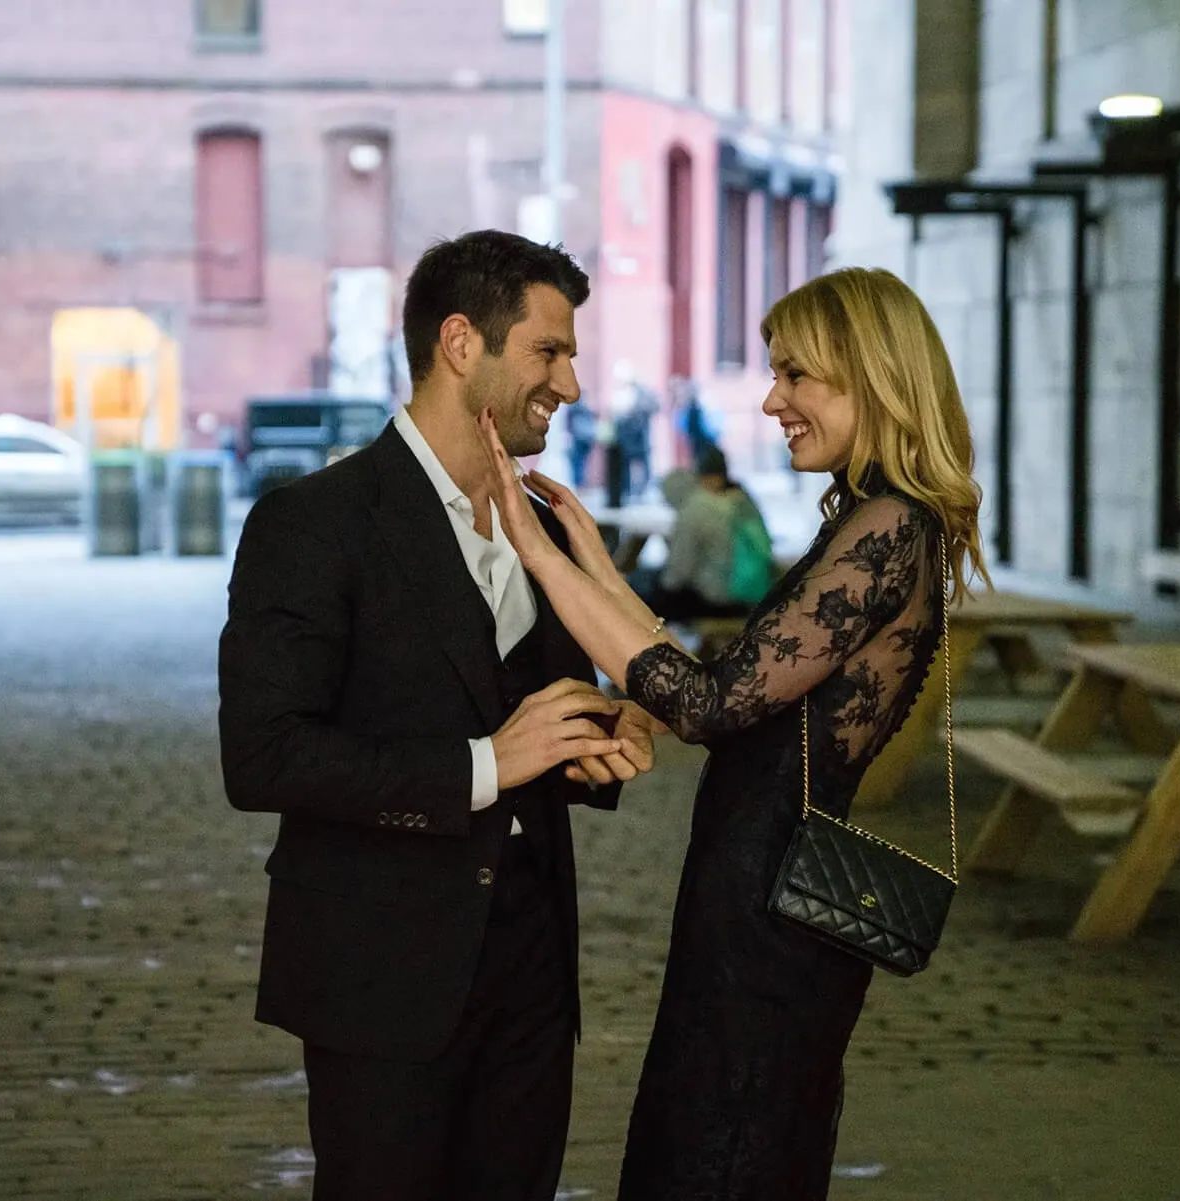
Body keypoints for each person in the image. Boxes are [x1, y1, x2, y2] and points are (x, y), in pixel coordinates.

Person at [479, 266, 989, 1199]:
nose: (771, 400)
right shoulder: (881, 521)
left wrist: (542, 558)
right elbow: (729, 686)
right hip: (757, 894)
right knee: (725, 1149)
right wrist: (596, 562)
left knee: (726, 1159)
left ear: (870, 375)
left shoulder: (886, 527)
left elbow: (710, 709)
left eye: (797, 375)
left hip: (771, 906)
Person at [218, 229, 660, 1201]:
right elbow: (264, 755)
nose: (572, 384)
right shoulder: (314, 523)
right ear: (462, 342)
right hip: (382, 979)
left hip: (535, 977)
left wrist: (595, 741)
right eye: (550, 352)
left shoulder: (544, 524)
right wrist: (485, 766)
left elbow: (541, 715)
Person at [633, 446, 773, 621]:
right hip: (753, 594)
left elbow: (679, 572)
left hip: (717, 600)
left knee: (640, 599)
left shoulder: (695, 509)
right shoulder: (742, 499)